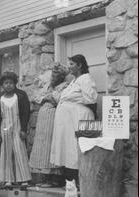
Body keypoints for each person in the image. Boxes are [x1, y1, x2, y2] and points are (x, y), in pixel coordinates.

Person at [50, 55, 98, 184]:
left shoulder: (85, 79)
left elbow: (90, 99)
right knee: (68, 147)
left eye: (72, 64)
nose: (69, 67)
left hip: (78, 117)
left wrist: (74, 104)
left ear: (80, 65)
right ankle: (70, 181)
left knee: (75, 147)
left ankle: (78, 181)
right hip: (69, 120)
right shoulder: (74, 81)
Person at [29, 63, 69, 187]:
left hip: (54, 116)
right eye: (53, 75)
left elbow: (61, 100)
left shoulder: (64, 87)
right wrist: (46, 98)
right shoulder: (49, 86)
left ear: (61, 76)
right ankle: (45, 177)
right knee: (43, 146)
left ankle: (55, 178)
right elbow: (36, 97)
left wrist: (50, 97)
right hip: (43, 118)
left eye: (56, 75)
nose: (54, 78)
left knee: (52, 145)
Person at [0, 71, 32, 187]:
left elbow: (26, 113)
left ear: (15, 83)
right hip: (4, 127)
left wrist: (24, 129)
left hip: (17, 126)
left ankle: (23, 178)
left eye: (11, 83)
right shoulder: (0, 97)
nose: (8, 85)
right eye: (6, 83)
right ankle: (8, 179)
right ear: (2, 85)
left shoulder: (21, 95)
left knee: (19, 150)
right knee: (6, 152)